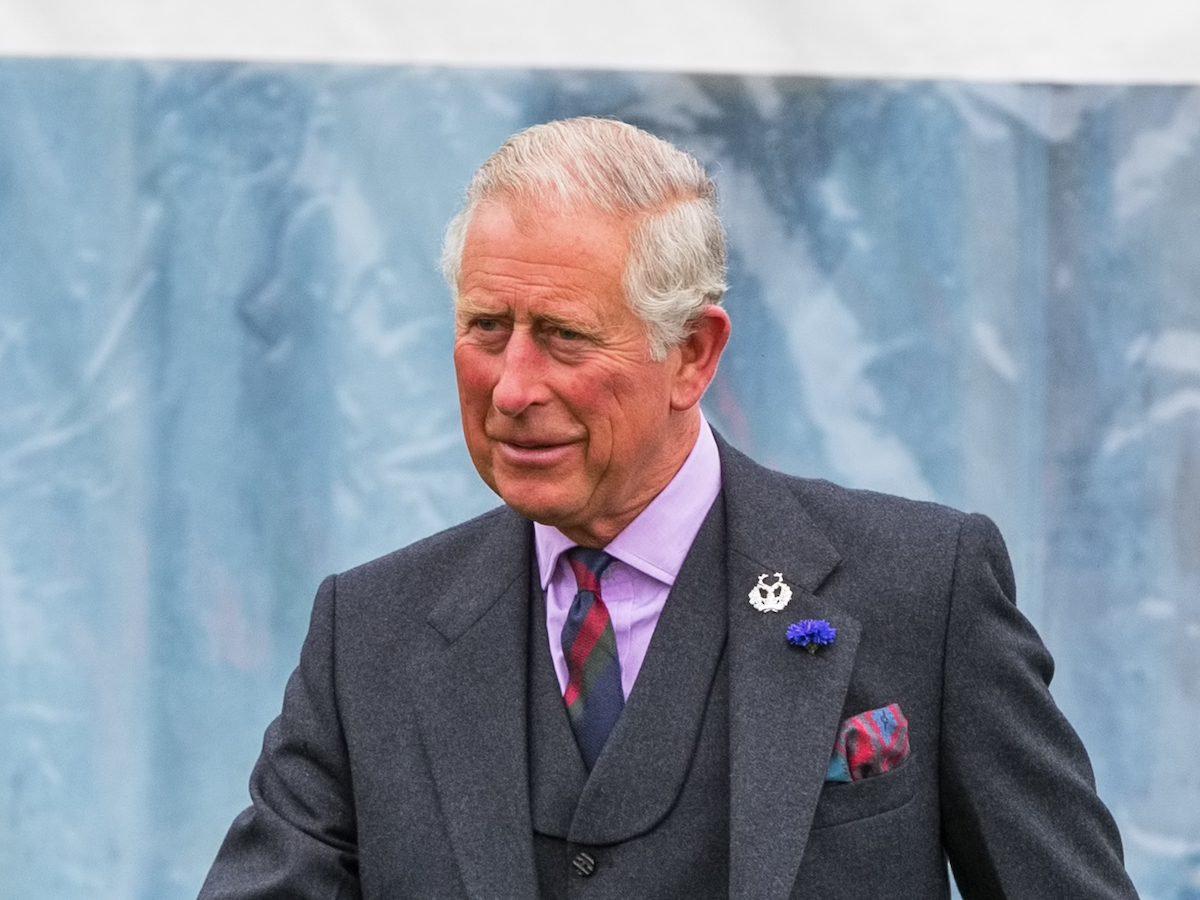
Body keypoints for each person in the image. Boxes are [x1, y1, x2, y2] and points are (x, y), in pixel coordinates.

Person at [199, 117, 1139, 899]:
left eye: (563, 337)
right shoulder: (368, 636)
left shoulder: (920, 595)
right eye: (487, 328)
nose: (513, 386)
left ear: (693, 352)